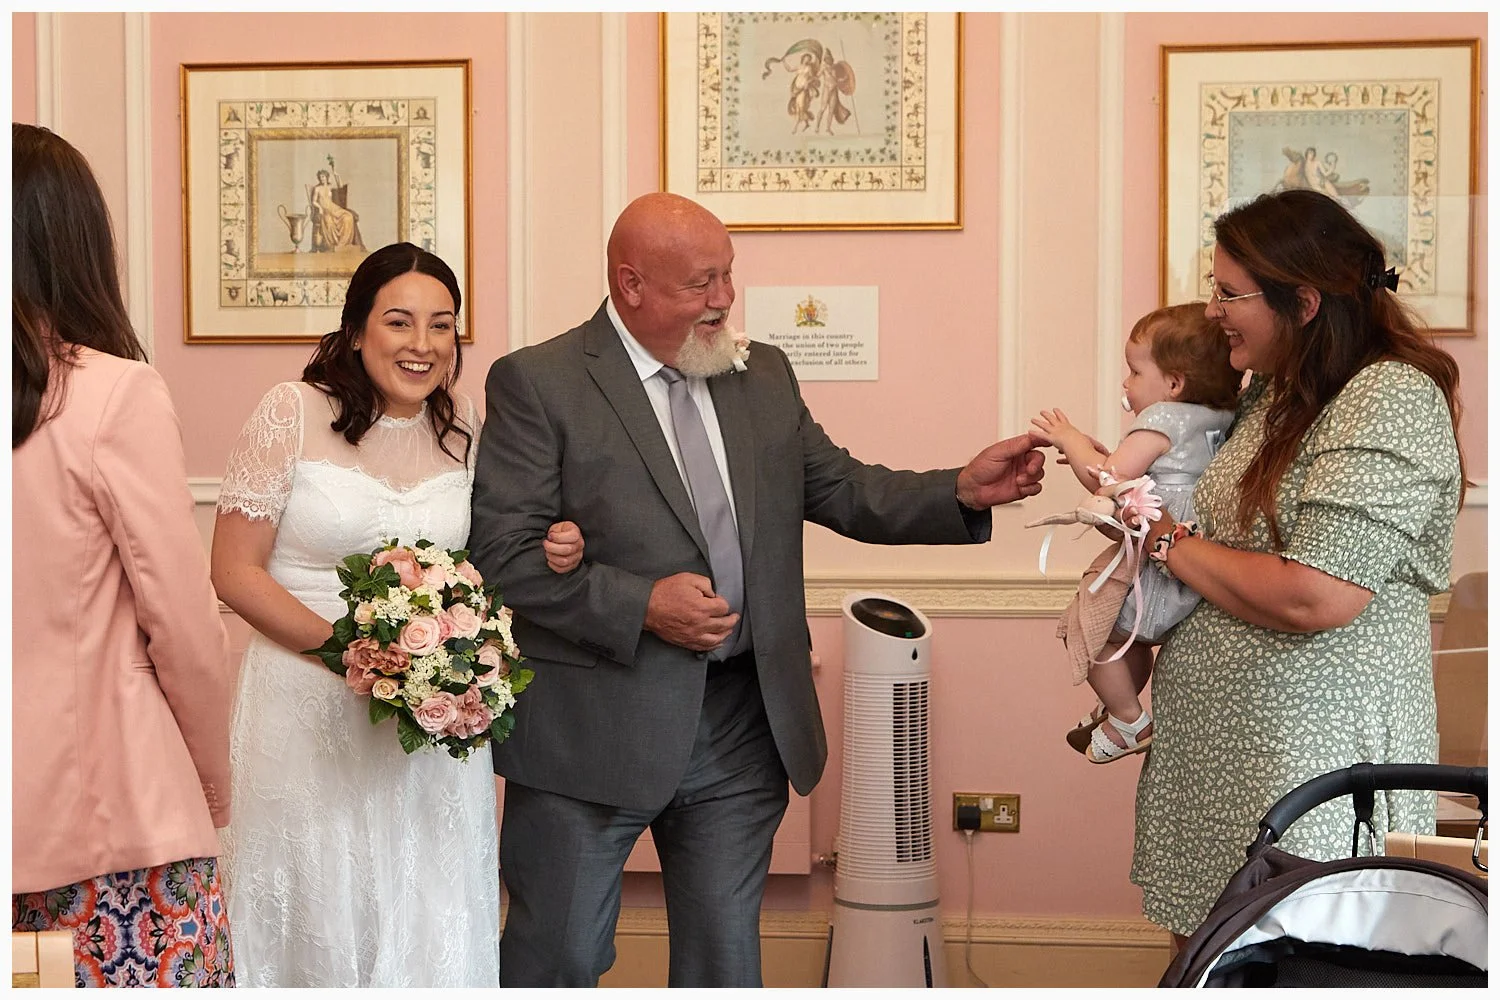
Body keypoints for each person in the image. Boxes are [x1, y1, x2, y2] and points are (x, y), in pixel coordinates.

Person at [469, 191, 1047, 987]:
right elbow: (503, 556)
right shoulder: (541, 382)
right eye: (700, 283)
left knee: (725, 963)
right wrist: (644, 606)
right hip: (591, 730)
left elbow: (841, 488)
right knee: (556, 957)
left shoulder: (761, 371)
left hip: (743, 723)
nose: (724, 299)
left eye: (728, 275)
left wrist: (959, 491)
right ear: (630, 285)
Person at [210, 242, 581, 985]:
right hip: (303, 711)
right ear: (356, 330)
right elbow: (233, 572)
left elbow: (491, 556)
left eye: (442, 325)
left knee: (425, 907)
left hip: (426, 721)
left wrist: (559, 546)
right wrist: (354, 654)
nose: (423, 344)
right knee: (316, 901)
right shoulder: (291, 411)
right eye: (400, 321)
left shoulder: (465, 425)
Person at [1128, 189, 1465, 946]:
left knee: (1302, 963)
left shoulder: (1387, 396)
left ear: (1304, 303)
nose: (1212, 311)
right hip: (1223, 756)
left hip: (1310, 761)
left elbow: (1316, 594)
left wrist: (1164, 540)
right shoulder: (1275, 393)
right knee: (1212, 962)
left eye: (1228, 293)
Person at [11, 123, 236, 987]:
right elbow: (183, 628)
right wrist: (210, 785)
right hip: (111, 832)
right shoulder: (111, 394)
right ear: (74, 241)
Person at [1028, 303, 1240, 763]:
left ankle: (1129, 719)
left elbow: (1109, 479)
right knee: (1133, 638)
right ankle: (1117, 702)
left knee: (1089, 627)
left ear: (1174, 384)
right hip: (1190, 554)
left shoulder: (1161, 417)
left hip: (1155, 555)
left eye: (1135, 371)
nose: (1126, 384)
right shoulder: (1219, 417)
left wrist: (1071, 439)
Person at [308, 163, 363, 252]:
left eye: (323, 177)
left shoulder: (330, 186)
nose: (322, 179)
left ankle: (343, 243)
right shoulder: (317, 189)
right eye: (320, 177)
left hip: (333, 208)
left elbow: (340, 186)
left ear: (327, 177)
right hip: (325, 209)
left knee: (348, 217)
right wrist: (320, 208)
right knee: (329, 222)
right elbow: (314, 201)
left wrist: (336, 175)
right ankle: (333, 244)